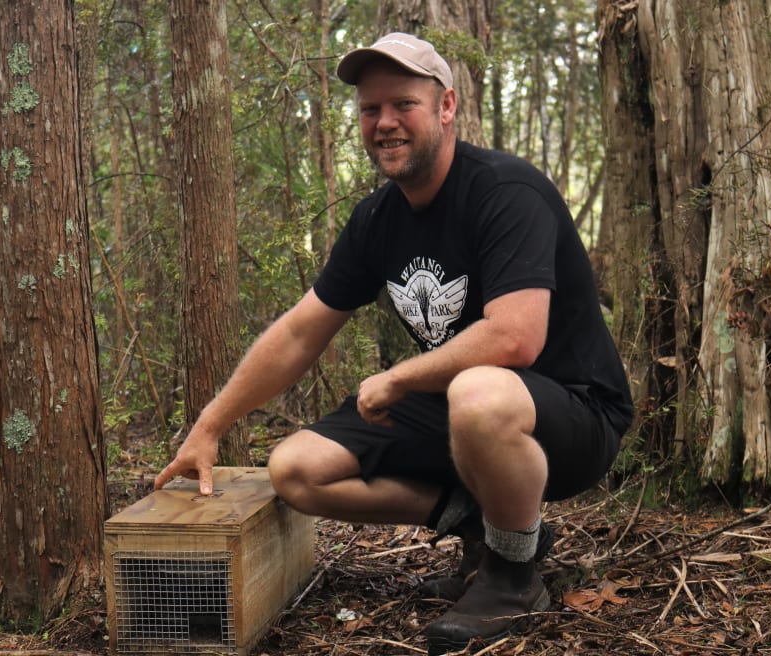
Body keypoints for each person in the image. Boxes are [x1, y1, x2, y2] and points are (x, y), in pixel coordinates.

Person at [154, 32, 634, 655]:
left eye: (403, 104)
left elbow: (515, 337)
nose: (385, 122)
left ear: (446, 107)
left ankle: (514, 576)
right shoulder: (378, 220)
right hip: (465, 410)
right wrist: (211, 423)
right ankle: (482, 525)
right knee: (297, 470)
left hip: (573, 414)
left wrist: (400, 377)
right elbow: (302, 330)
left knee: (478, 392)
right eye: (369, 109)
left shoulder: (505, 192)